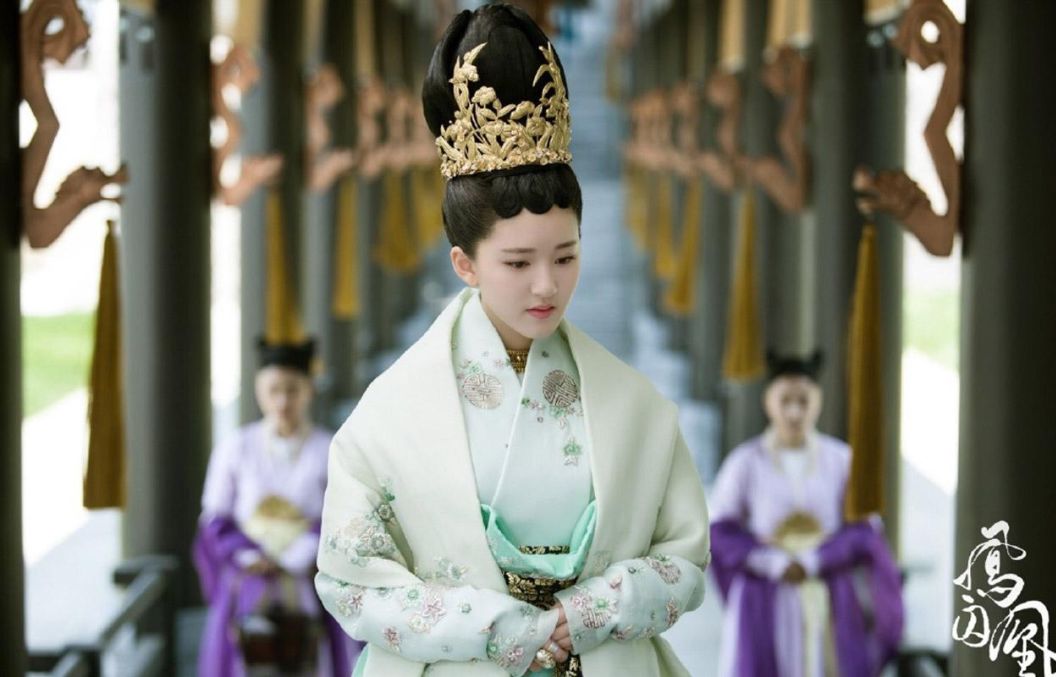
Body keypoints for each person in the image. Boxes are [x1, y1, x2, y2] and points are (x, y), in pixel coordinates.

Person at [313, 5, 710, 676]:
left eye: (566, 256)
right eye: (518, 262)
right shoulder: (391, 415)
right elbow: (351, 581)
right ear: (464, 264)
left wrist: (589, 611)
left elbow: (685, 557)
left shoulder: (635, 405)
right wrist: (498, 627)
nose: (547, 285)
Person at [707, 352, 904, 677]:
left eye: (803, 401)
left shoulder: (841, 460)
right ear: (768, 402)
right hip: (764, 591)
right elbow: (719, 532)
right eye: (785, 400)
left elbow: (865, 531)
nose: (794, 411)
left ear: (818, 403)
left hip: (829, 590)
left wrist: (815, 559)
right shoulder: (744, 462)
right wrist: (771, 561)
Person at [193, 337, 359, 676]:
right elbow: (215, 519)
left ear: (309, 390)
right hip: (248, 577)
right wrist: (250, 555)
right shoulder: (236, 447)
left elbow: (344, 517)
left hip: (308, 575)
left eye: (292, 390)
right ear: (259, 391)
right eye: (274, 390)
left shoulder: (329, 448)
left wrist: (299, 553)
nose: (283, 401)